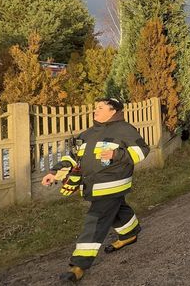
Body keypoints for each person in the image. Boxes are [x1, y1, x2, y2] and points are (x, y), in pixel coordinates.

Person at [41, 98, 150, 282]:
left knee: (95, 220)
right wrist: (55, 172)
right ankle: (130, 234)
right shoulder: (87, 134)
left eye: (100, 107)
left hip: (112, 183)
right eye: (95, 107)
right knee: (117, 209)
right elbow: (74, 159)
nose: (95, 110)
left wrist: (117, 154)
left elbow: (142, 150)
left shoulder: (125, 129)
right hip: (92, 186)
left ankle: (78, 265)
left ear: (113, 110)